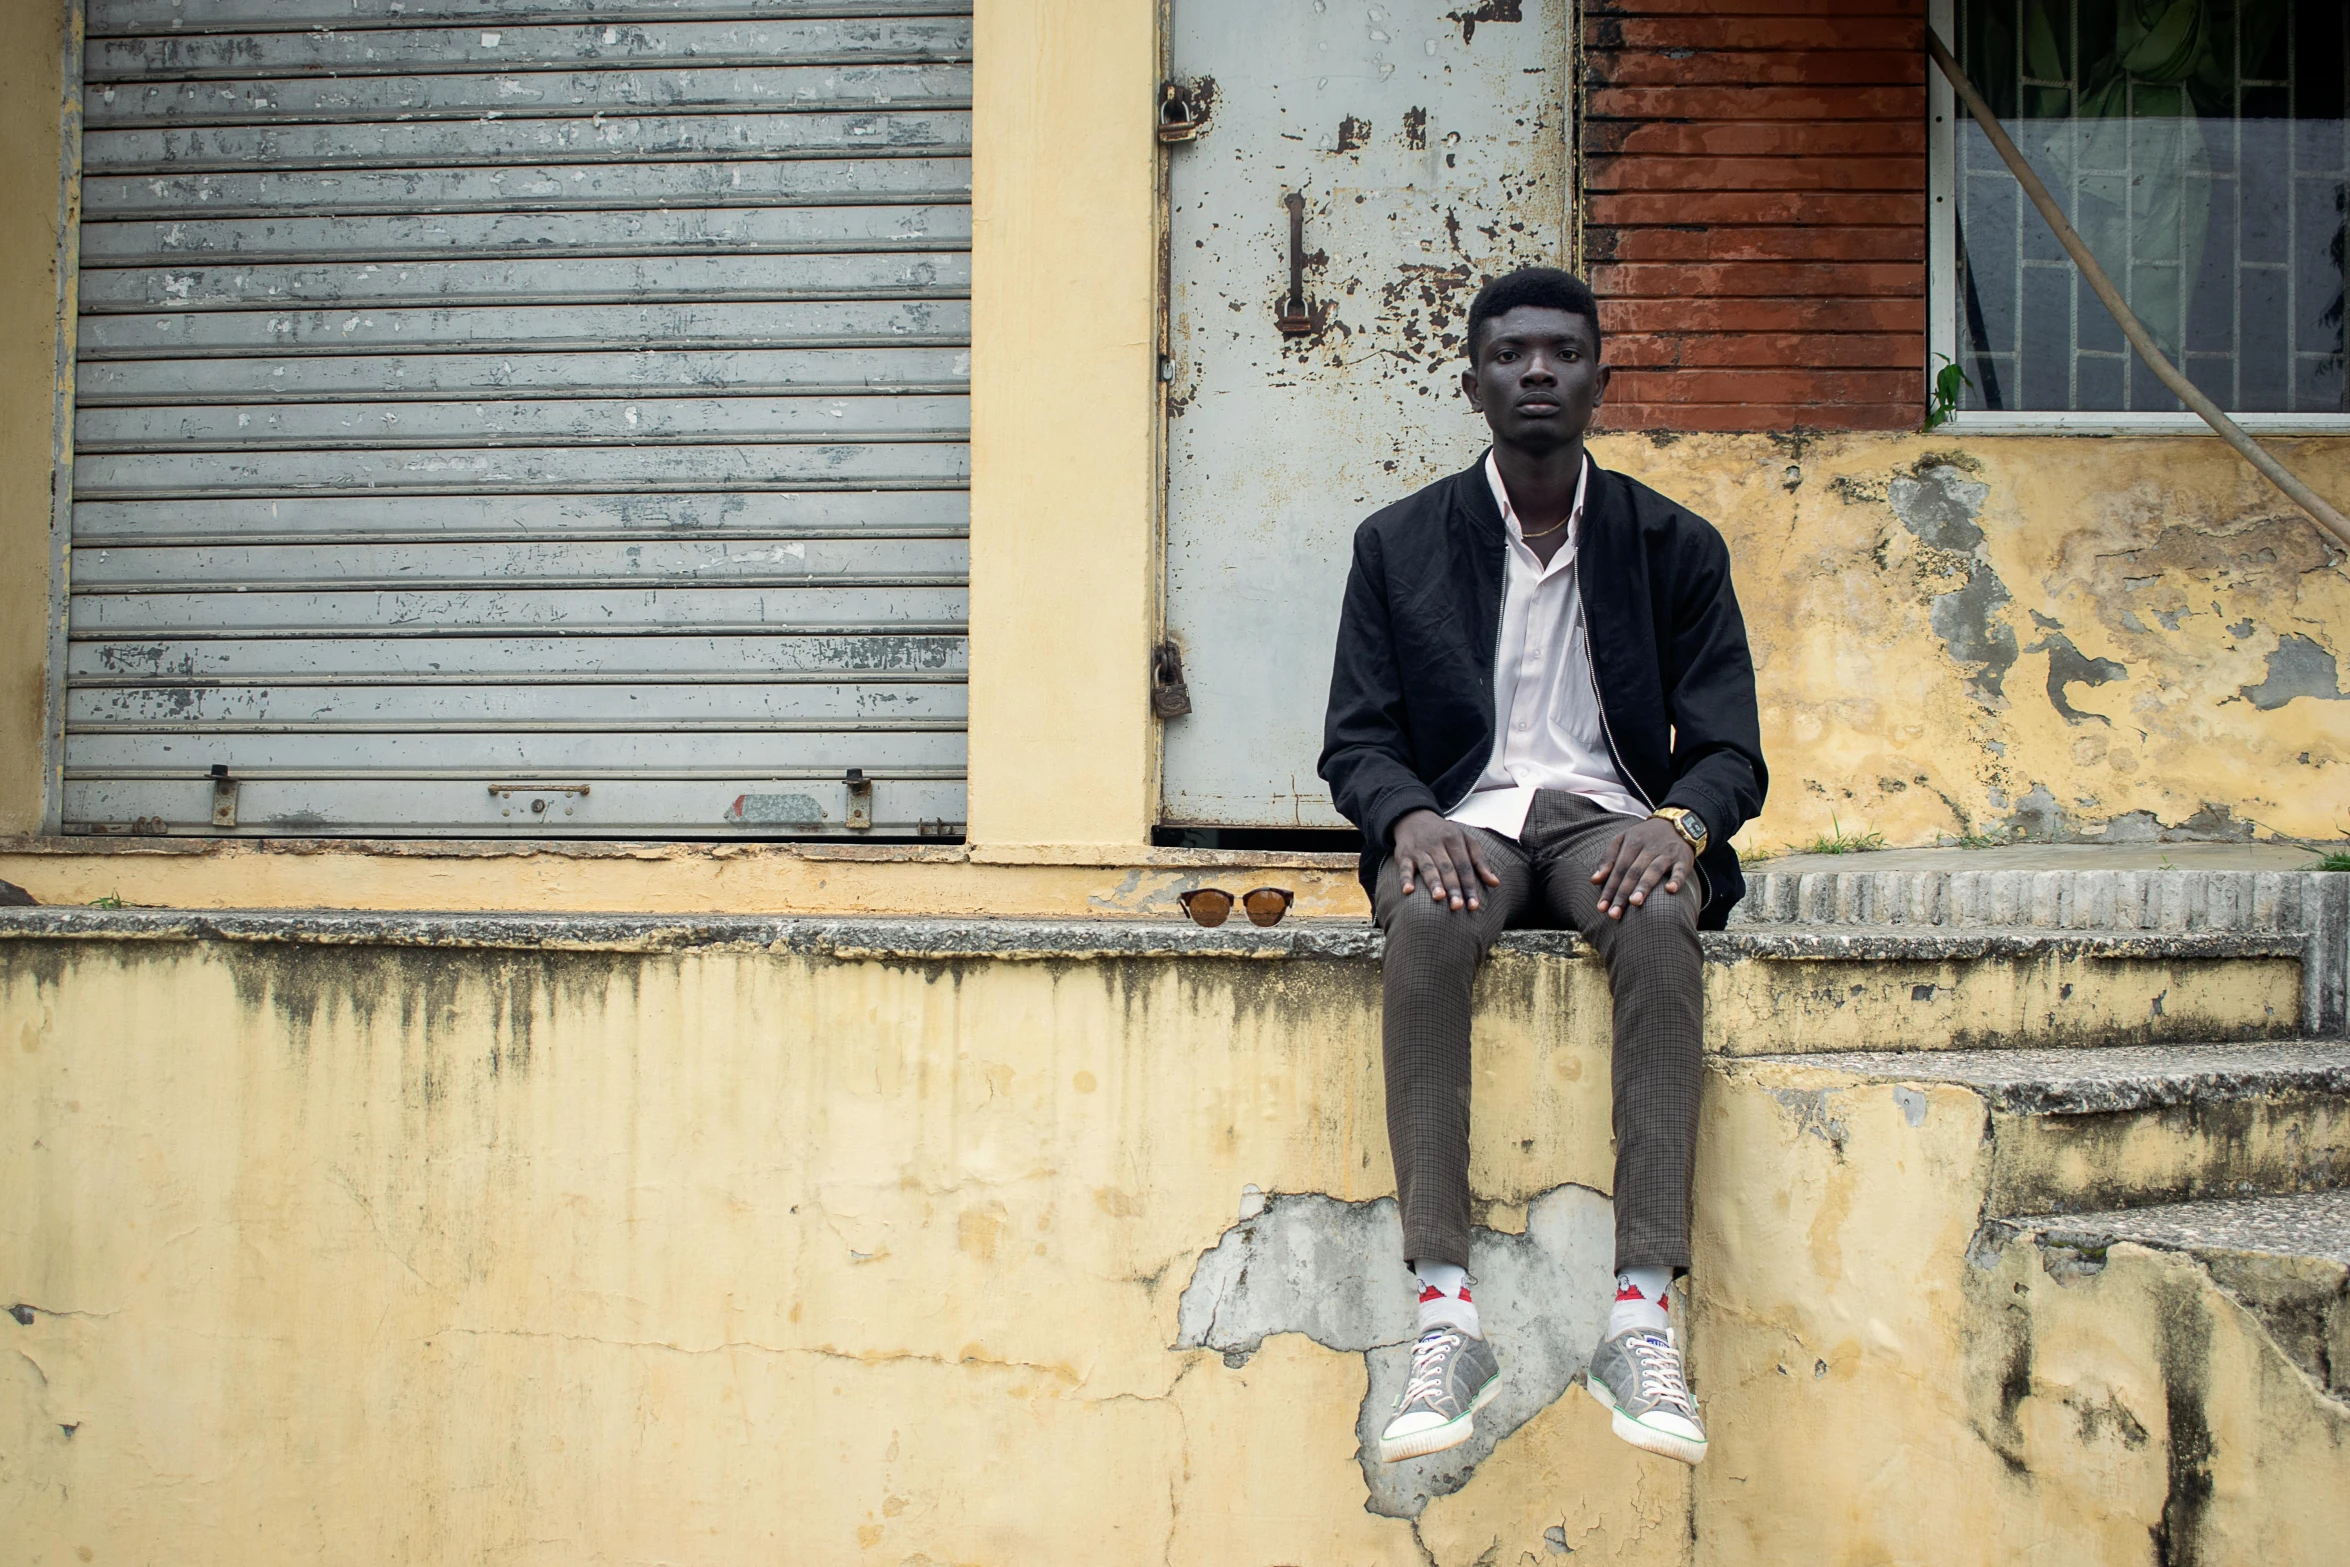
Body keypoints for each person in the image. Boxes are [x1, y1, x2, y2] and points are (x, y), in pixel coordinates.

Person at [1318, 266, 1766, 1468]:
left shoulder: (1674, 546)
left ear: (1599, 382)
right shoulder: (1398, 543)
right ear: (1470, 382)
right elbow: (1355, 739)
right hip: (1464, 821)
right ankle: (1444, 1312)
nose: (1535, 372)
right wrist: (1407, 820)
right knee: (1420, 916)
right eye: (1510, 354)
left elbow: (1731, 753)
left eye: (1562, 354)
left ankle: (1639, 1315)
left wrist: (1674, 826)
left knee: (1666, 914)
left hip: (1610, 823)